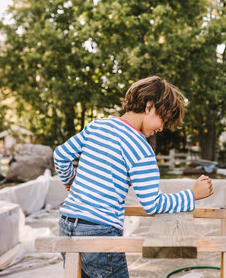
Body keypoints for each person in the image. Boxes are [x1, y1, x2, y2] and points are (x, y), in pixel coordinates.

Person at [54, 76, 214, 278]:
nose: (161, 128)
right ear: (149, 107)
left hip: (67, 226)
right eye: (162, 120)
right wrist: (192, 195)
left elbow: (60, 155)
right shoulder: (140, 149)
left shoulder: (97, 126)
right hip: (100, 234)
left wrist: (70, 181)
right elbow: (153, 204)